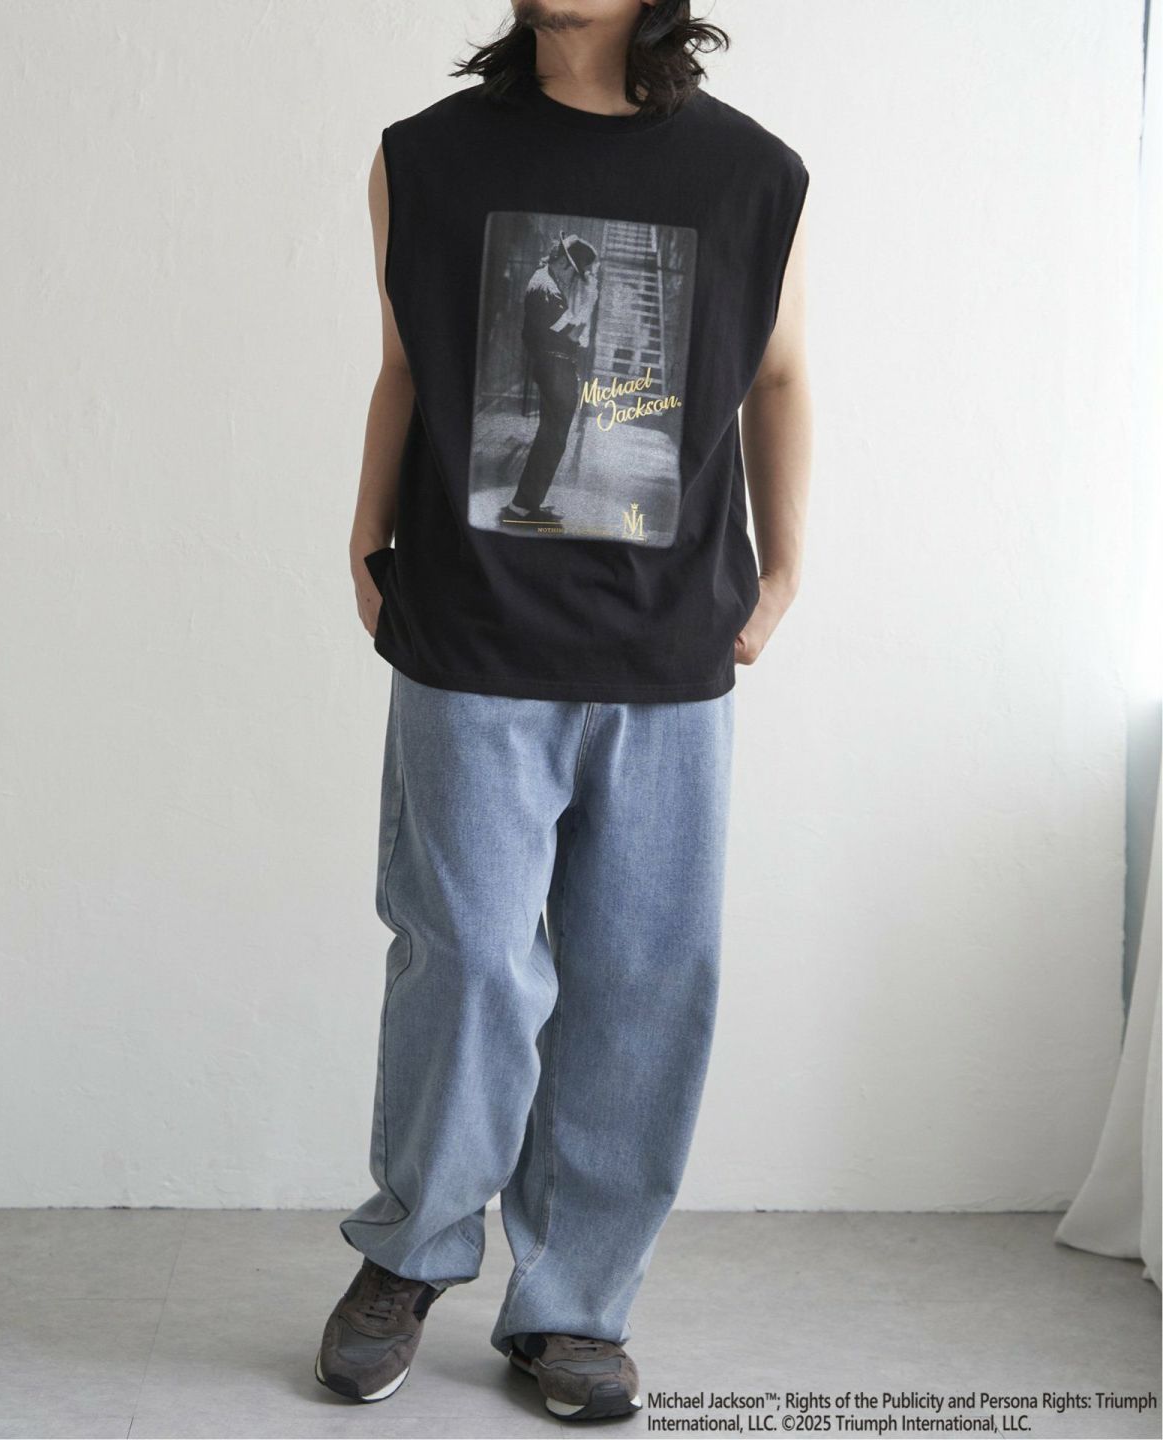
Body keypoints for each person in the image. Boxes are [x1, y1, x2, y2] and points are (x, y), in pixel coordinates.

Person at [318, 0, 812, 1422]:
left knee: (644, 981)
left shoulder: (752, 173)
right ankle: (410, 1252)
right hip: (470, 638)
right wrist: (363, 538)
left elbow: (778, 376)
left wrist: (783, 574)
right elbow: (408, 366)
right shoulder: (424, 157)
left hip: (667, 654)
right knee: (466, 959)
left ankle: (575, 1303)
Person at [500, 231, 601, 526]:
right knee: (552, 438)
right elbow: (573, 334)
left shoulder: (546, 282)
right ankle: (522, 506)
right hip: (554, 367)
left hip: (555, 366)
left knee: (553, 438)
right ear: (565, 264)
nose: (574, 278)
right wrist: (589, 302)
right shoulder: (546, 287)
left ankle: (529, 502)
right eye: (575, 272)